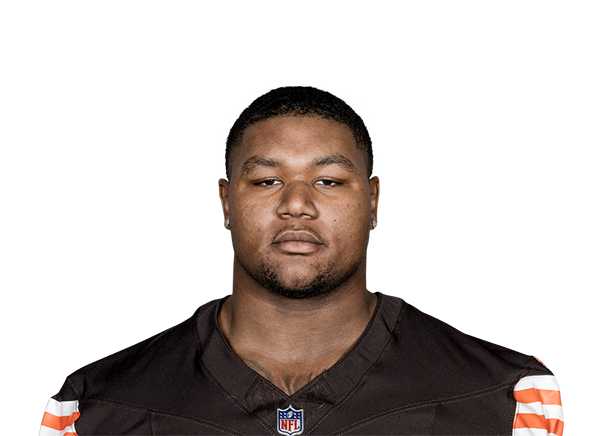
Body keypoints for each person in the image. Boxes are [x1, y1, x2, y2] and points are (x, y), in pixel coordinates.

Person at [40, 84, 563, 436]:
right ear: (226, 201)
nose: (296, 204)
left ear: (372, 201)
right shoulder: (91, 409)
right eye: (267, 180)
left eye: (328, 181)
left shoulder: (515, 401)